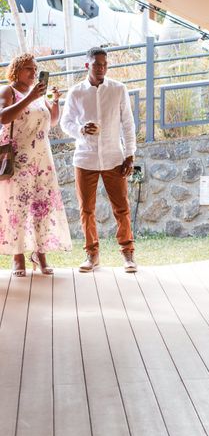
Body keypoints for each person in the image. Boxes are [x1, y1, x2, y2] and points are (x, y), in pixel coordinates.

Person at [60, 47, 137, 273]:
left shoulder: (118, 89)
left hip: (115, 157)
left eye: (104, 64)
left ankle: (128, 254)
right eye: (96, 64)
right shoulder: (76, 92)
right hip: (85, 159)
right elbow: (66, 123)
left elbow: (128, 124)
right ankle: (92, 255)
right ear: (87, 66)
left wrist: (130, 154)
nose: (101, 68)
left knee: (121, 208)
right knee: (86, 210)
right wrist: (81, 129)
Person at [0, 53, 71, 275]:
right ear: (16, 70)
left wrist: (54, 102)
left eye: (35, 68)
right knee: (18, 208)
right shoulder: (9, 91)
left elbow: (52, 121)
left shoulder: (38, 94)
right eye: (28, 68)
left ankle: (40, 254)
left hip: (42, 159)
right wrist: (30, 97)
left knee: (42, 206)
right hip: (19, 159)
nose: (33, 72)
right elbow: (2, 117)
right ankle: (18, 257)